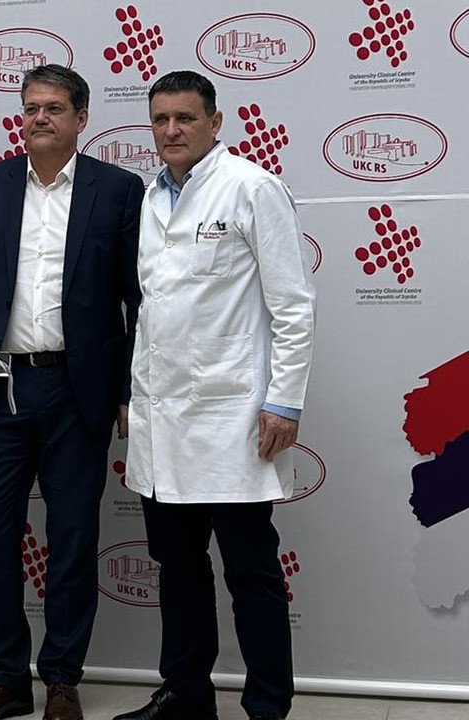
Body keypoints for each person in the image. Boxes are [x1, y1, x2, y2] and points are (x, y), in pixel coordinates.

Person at [0, 64, 143, 720]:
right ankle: (5, 680)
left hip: (77, 390)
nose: (39, 118)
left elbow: (136, 301)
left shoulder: (117, 190)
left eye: (54, 108)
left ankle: (62, 678)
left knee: (73, 536)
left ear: (81, 119)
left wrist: (126, 390)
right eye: (30, 107)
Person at [114, 70, 315, 720]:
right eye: (161, 120)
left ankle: (267, 706)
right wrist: (132, 397)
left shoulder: (252, 188)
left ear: (215, 122)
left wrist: (284, 401)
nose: (171, 130)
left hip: (235, 419)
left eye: (185, 118)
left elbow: (293, 306)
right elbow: (148, 313)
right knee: (178, 567)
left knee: (251, 572)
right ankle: (186, 695)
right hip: (161, 419)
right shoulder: (148, 200)